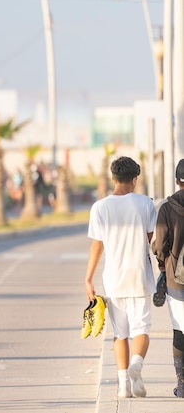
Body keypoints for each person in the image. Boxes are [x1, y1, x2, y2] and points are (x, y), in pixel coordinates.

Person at [84, 156, 156, 399]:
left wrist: (88, 278)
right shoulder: (146, 203)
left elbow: (97, 246)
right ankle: (137, 365)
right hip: (140, 278)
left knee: (120, 334)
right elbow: (151, 239)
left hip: (114, 280)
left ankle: (124, 385)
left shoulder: (99, 208)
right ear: (134, 180)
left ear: (113, 178)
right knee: (142, 330)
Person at [152, 158, 184, 398]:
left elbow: (161, 245)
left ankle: (182, 385)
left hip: (176, 278)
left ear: (176, 181)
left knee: (179, 330)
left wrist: (163, 265)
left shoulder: (167, 207)